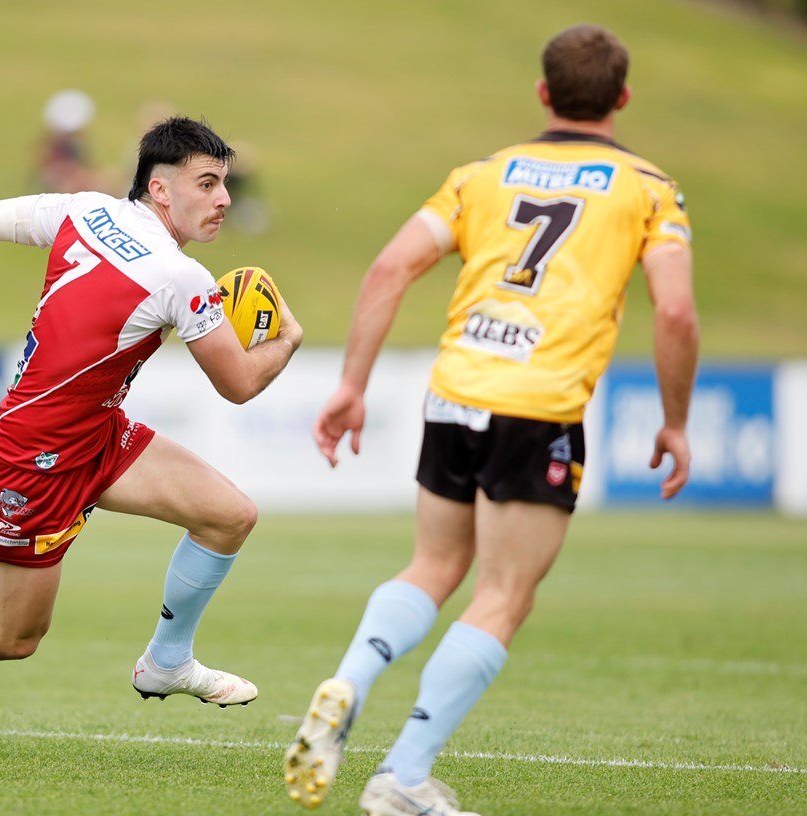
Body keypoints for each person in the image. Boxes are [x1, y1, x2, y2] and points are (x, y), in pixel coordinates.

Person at [284, 24, 698, 816]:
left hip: (455, 392)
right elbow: (674, 311)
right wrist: (675, 420)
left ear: (543, 93)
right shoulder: (649, 187)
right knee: (504, 594)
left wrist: (351, 385)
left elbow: (389, 267)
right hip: (538, 406)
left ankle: (350, 679)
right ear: (623, 98)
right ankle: (403, 775)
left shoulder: (483, 175)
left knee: (432, 568)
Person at [0, 116, 303, 756]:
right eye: (208, 183)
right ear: (162, 190)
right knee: (14, 636)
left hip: (96, 435)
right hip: (29, 460)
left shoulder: (84, 210)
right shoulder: (181, 277)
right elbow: (240, 384)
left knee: (229, 516)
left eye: (225, 183)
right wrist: (287, 339)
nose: (224, 198)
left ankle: (166, 664)